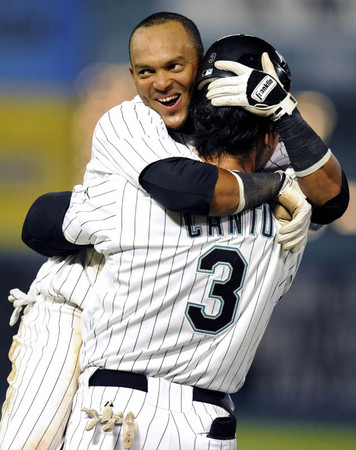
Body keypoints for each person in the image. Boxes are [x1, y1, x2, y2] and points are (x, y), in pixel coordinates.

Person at [0, 13, 348, 450]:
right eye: (147, 71)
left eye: (175, 68)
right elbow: (189, 188)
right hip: (194, 412)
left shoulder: (137, 205)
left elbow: (41, 221)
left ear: (202, 72)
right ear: (268, 135)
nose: (162, 83)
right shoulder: (284, 212)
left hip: (114, 398)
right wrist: (283, 167)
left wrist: (283, 118)